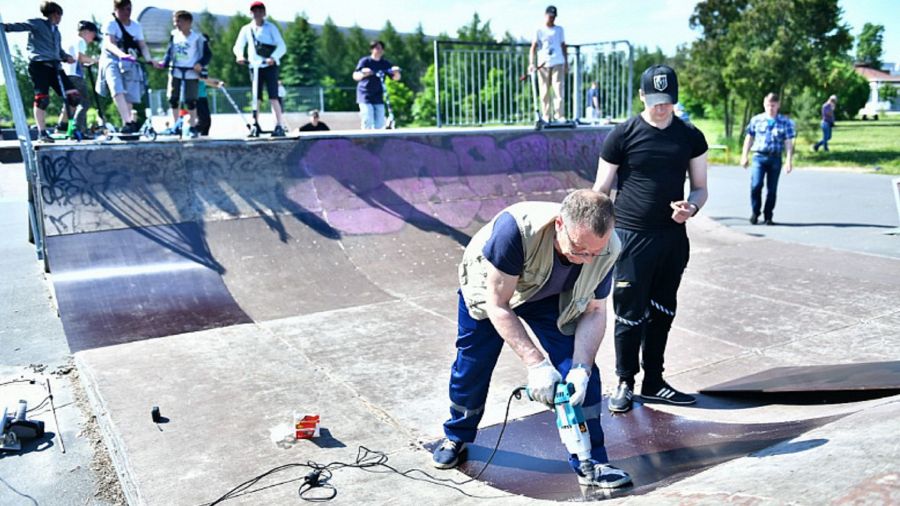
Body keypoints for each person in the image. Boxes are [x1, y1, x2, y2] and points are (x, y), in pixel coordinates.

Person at [433, 189, 632, 489]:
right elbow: (498, 304)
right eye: (580, 250)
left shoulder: (607, 247)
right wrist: (536, 364)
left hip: (551, 296)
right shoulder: (514, 229)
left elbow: (595, 309)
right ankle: (457, 435)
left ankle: (592, 462)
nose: (588, 260)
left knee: (584, 376)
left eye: (595, 252)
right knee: (473, 363)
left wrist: (580, 368)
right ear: (559, 225)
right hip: (492, 290)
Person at [593, 64, 708, 414]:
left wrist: (691, 208)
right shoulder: (623, 134)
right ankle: (625, 381)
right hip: (629, 238)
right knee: (629, 312)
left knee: (662, 311)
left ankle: (654, 381)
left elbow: (701, 188)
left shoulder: (690, 136)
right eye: (655, 100)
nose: (661, 107)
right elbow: (601, 189)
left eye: (668, 101)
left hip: (672, 239)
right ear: (642, 96)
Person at [3, 2, 78, 142]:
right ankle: (42, 133)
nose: (60, 18)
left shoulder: (56, 31)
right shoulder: (37, 23)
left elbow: (58, 51)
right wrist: (5, 27)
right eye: (60, 15)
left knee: (73, 97)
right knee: (42, 99)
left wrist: (66, 57)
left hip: (55, 67)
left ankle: (63, 126)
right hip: (39, 65)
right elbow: (19, 26)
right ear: (55, 13)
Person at [96, 0, 158, 134]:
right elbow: (109, 44)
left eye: (129, 9)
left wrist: (149, 59)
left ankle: (127, 125)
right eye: (123, 9)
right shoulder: (111, 23)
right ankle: (129, 121)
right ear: (116, 10)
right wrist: (122, 54)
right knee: (117, 88)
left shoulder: (135, 26)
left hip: (129, 61)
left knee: (129, 94)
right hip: (112, 60)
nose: (127, 12)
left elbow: (142, 45)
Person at [739, 92, 795, 226]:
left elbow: (788, 142)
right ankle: (755, 212)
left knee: (772, 189)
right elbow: (749, 138)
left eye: (773, 105)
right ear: (764, 104)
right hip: (759, 157)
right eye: (768, 105)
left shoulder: (784, 122)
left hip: (775, 158)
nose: (771, 108)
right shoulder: (756, 120)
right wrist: (744, 155)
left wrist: (788, 160)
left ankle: (768, 215)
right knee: (756, 185)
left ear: (778, 106)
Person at [232, 1, 287, 137]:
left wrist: (273, 58)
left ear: (264, 13)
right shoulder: (246, 29)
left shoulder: (270, 28)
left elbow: (281, 46)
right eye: (254, 11)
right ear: (251, 13)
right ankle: (255, 124)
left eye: (260, 10)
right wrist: (240, 56)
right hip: (254, 66)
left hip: (269, 66)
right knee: (256, 97)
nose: (257, 13)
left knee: (273, 96)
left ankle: (279, 125)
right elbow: (238, 46)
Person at [158, 10, 209, 139]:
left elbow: (208, 55)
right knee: (173, 99)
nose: (176, 24)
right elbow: (170, 51)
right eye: (175, 21)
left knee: (190, 100)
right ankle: (176, 126)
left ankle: (192, 125)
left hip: (191, 72)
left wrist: (200, 64)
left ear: (188, 22)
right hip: (176, 70)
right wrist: (165, 62)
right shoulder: (174, 35)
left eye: (179, 21)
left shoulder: (197, 38)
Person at [57, 20, 98, 138]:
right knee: (84, 104)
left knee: (70, 103)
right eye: (93, 35)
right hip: (75, 76)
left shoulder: (69, 41)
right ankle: (79, 130)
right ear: (86, 32)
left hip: (65, 76)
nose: (93, 39)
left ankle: (61, 127)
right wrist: (95, 60)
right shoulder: (80, 41)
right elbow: (81, 58)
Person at [529, 5, 567, 123]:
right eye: (550, 17)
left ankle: (559, 115)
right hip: (543, 64)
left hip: (558, 62)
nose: (552, 19)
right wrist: (531, 63)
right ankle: (546, 115)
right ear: (545, 16)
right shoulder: (539, 30)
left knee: (558, 90)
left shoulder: (559, 30)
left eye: (554, 17)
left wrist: (566, 62)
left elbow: (563, 46)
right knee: (544, 91)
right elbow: (533, 48)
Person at [352, 40, 400, 130]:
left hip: (378, 96)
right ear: (372, 49)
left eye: (381, 49)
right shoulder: (365, 61)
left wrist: (396, 72)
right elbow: (355, 76)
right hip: (365, 95)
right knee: (368, 117)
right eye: (377, 48)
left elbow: (396, 78)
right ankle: (365, 140)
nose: (379, 50)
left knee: (380, 122)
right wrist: (364, 74)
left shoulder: (384, 63)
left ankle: (377, 142)